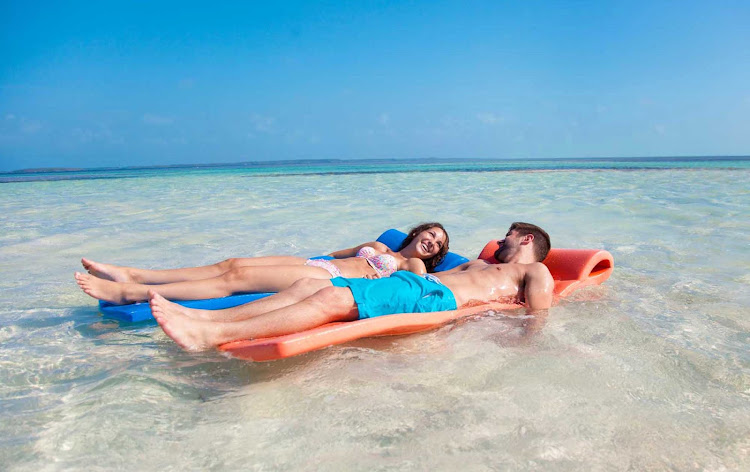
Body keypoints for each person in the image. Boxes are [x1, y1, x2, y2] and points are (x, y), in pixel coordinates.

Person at [149, 222, 554, 352]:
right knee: (308, 284)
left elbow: (538, 316)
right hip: (415, 283)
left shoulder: (536, 272)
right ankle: (204, 316)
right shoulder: (480, 262)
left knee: (329, 298)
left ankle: (212, 335)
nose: (498, 242)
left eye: (506, 237)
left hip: (434, 297)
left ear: (525, 240)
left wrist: (492, 317)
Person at [75, 223, 449, 304]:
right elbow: (336, 252)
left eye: (436, 244)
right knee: (232, 262)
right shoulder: (374, 244)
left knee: (235, 279)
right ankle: (135, 272)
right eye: (429, 234)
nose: (430, 241)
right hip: (315, 263)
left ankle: (131, 292)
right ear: (416, 232)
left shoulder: (411, 268)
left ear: (432, 254)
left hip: (331, 279)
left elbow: (419, 291)